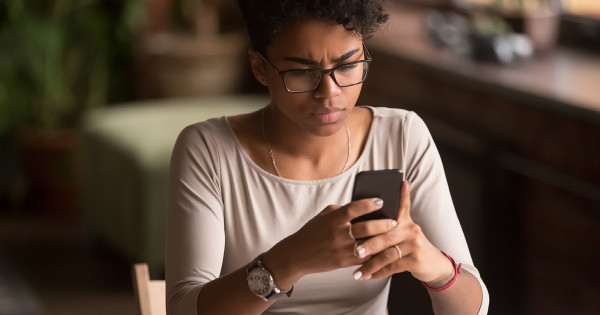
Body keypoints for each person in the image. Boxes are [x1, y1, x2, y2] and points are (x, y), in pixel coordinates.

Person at [165, 0, 489, 314]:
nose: (329, 92)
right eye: (302, 72)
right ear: (260, 68)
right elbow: (182, 309)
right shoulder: (208, 150)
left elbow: (474, 307)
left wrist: (433, 265)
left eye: (347, 66)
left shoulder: (402, 137)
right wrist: (289, 260)